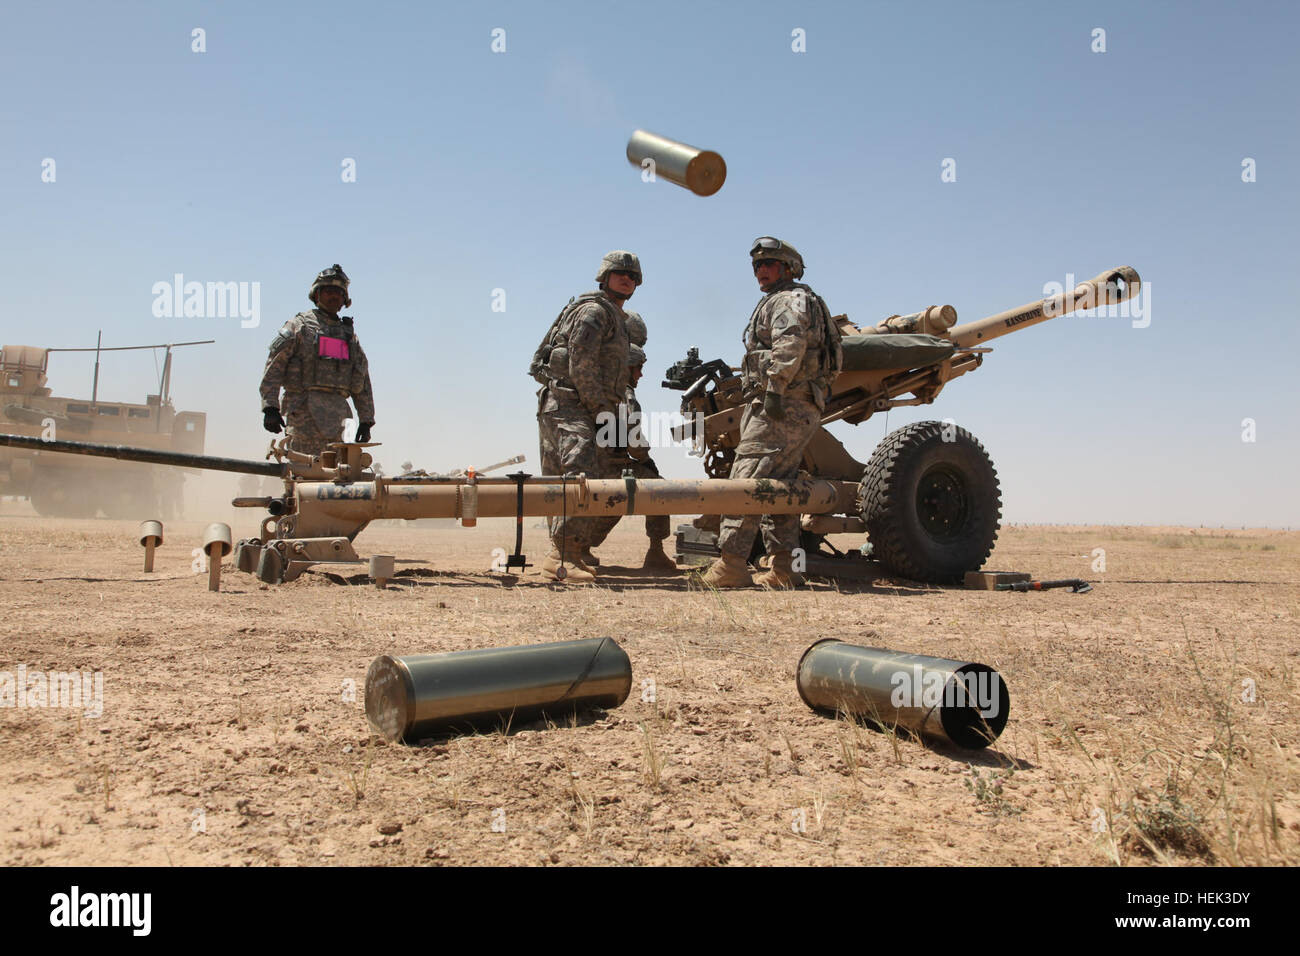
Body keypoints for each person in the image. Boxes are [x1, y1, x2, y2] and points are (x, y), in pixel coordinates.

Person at [699, 237, 842, 588]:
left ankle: (731, 564)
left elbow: (789, 344)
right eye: (757, 266)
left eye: (770, 264)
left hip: (781, 405)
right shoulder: (801, 299)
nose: (761, 271)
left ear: (789, 268)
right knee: (779, 487)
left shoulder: (786, 301)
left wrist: (775, 389)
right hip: (798, 403)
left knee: (746, 478)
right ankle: (785, 569)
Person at [533, 251, 639, 583]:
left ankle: (566, 553)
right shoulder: (594, 311)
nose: (627, 279)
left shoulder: (613, 316)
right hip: (573, 406)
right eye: (620, 273)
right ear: (604, 276)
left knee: (562, 479)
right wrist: (600, 411)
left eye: (633, 276)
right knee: (581, 477)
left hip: (566, 404)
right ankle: (563, 556)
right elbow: (581, 361)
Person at [260, 264, 375, 456]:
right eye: (328, 291)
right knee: (305, 475)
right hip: (304, 416)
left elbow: (362, 379)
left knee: (343, 477)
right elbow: (275, 366)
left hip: (342, 419)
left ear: (344, 299)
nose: (334, 296)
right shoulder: (300, 327)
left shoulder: (349, 337)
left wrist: (366, 420)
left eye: (339, 292)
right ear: (317, 294)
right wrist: (270, 407)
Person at [585, 341, 677, 573]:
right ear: (625, 368)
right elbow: (633, 437)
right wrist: (645, 460)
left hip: (592, 464)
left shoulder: (599, 389)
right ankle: (656, 552)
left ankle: (580, 548)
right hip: (612, 466)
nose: (641, 373)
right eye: (637, 367)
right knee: (659, 490)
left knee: (606, 505)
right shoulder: (625, 394)